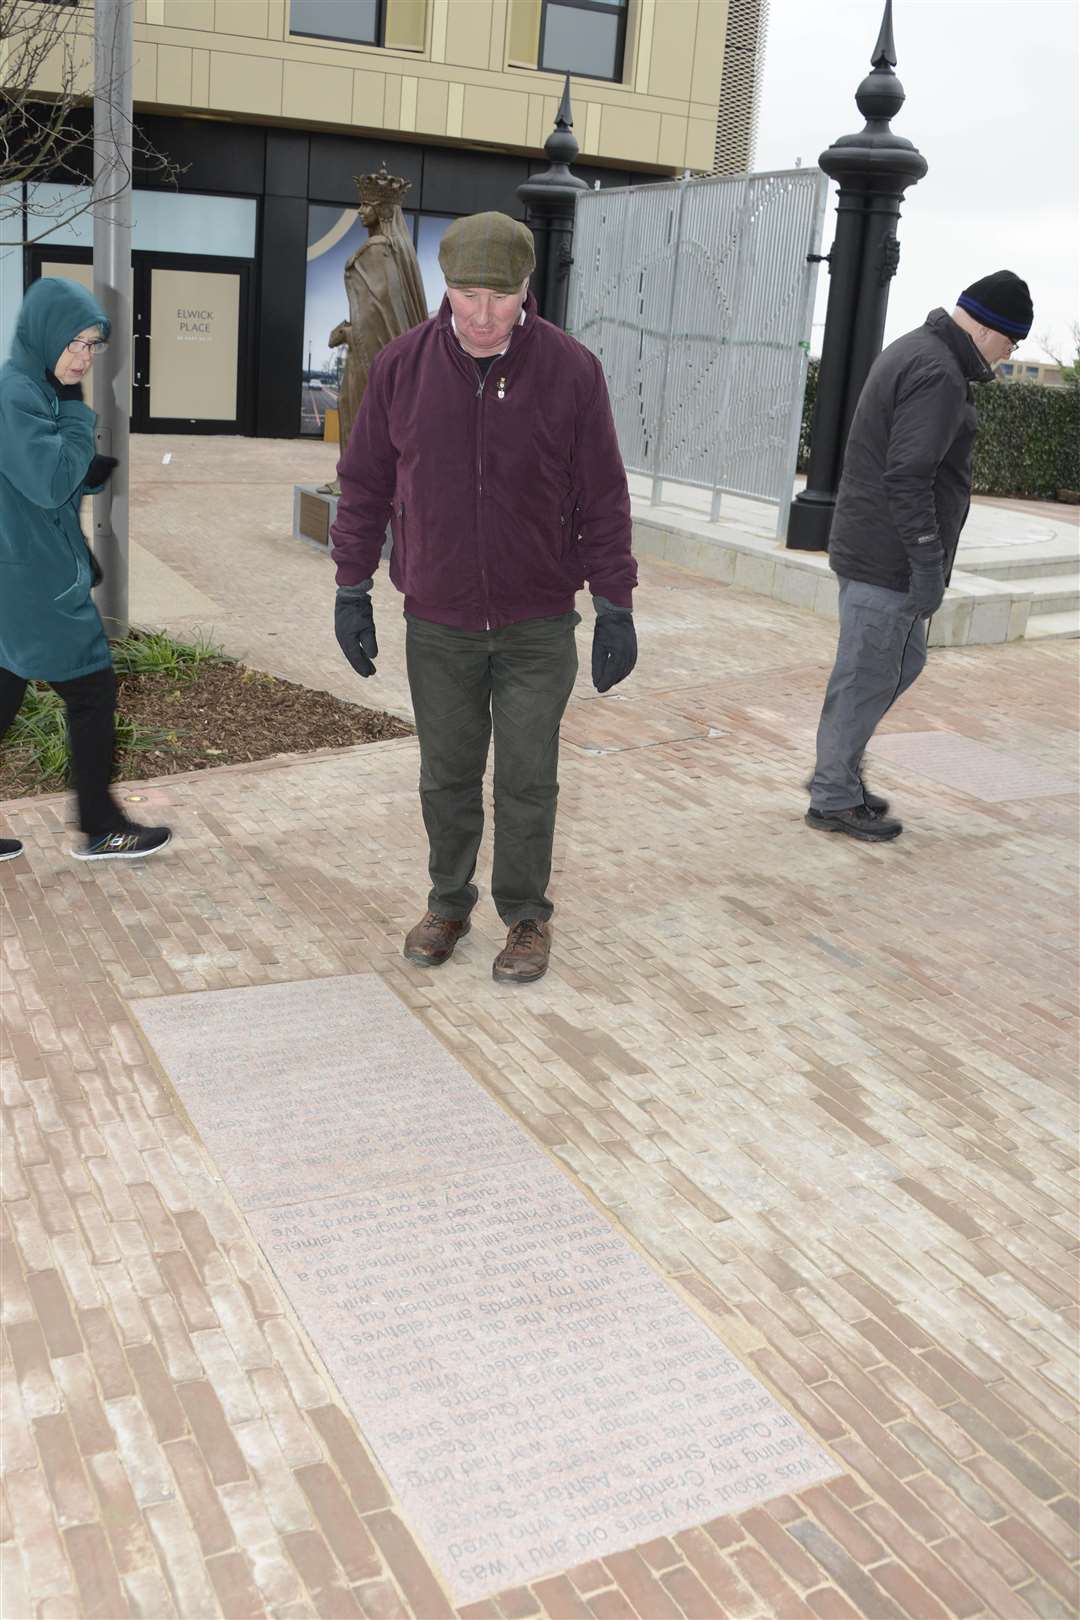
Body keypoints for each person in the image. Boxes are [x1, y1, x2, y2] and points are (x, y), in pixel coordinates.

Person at [331, 211, 637, 982]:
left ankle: (526, 917)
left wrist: (616, 604)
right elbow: (363, 485)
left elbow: (603, 494)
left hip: (537, 621)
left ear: (526, 289)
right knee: (447, 773)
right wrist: (351, 587)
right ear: (446, 287)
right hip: (439, 621)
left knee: (529, 775)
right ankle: (448, 900)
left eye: (499, 295)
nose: (482, 313)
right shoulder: (402, 367)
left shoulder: (572, 370)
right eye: (467, 293)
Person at [805, 270, 1033, 841]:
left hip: (875, 548)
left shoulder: (920, 350)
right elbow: (907, 477)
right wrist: (928, 565)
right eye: (1012, 342)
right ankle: (833, 795)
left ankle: (839, 776)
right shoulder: (938, 372)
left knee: (895, 666)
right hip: (889, 559)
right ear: (986, 329)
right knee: (867, 675)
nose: (1009, 355)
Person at [0, 277, 171, 863]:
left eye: (93, 344)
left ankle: (99, 821)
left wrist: (84, 468)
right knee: (93, 688)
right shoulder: (19, 392)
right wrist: (77, 421)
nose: (83, 356)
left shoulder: (31, 387)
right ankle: (100, 825)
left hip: (20, 571)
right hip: (33, 583)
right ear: (44, 334)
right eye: (74, 342)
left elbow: (32, 477)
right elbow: (48, 483)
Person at [322, 166, 428, 487]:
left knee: (355, 406)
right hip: (386, 353)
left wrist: (348, 334)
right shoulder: (399, 250)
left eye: (366, 206)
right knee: (376, 414)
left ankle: (354, 482)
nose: (360, 212)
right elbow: (387, 310)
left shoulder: (376, 252)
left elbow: (375, 314)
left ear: (381, 210)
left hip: (370, 353)